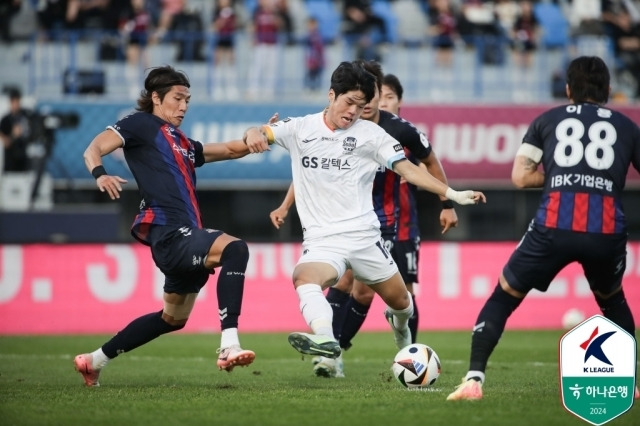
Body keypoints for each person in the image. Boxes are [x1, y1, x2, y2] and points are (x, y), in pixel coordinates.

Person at [244, 60, 485, 376]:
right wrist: (252, 133)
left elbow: (409, 169)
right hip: (323, 240)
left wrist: (451, 195)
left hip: (366, 238)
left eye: (361, 105)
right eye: (349, 103)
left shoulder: (373, 134)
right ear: (331, 95)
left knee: (402, 303)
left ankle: (405, 341)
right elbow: (261, 132)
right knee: (304, 278)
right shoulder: (300, 128)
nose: (354, 112)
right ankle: (328, 344)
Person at [446, 56, 640, 401]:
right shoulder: (627, 127)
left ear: (567, 90)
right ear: (609, 90)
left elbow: (520, 177)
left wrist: (562, 175)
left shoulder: (547, 120)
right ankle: (630, 385)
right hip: (606, 230)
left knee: (503, 297)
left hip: (554, 225)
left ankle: (474, 380)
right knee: (613, 302)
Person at [74, 66, 260, 387]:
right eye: (178, 98)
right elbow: (93, 148)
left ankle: (94, 361)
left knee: (172, 319)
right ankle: (229, 343)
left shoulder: (183, 142)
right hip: (169, 232)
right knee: (235, 248)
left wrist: (263, 135)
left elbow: (231, 149)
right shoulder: (140, 124)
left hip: (182, 237)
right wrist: (99, 174)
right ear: (157, 98)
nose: (184, 106)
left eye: (187, 99)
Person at [0, 87, 34, 172]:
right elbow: (6, 142)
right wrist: (13, 135)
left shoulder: (25, 116)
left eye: (17, 101)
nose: (16, 104)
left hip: (24, 160)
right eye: (14, 102)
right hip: (10, 162)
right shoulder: (6, 120)